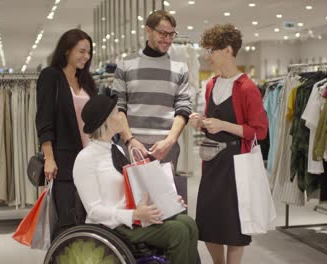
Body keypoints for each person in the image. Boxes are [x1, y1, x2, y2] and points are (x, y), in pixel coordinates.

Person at [73, 94, 199, 264]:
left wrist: (166, 202)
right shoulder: (86, 158)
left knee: (188, 222)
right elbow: (94, 211)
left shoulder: (115, 149)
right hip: (112, 227)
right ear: (105, 122)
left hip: (133, 218)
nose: (121, 117)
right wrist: (134, 215)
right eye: (117, 113)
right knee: (179, 231)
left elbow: (132, 190)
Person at [189, 24, 268, 264]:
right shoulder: (211, 84)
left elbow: (260, 131)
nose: (207, 56)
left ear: (227, 50)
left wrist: (223, 125)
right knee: (210, 220)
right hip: (212, 162)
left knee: (233, 224)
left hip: (236, 165)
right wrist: (201, 122)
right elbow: (214, 122)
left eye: (211, 50)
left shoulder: (247, 88)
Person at [112, 10, 192, 169]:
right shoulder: (126, 64)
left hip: (166, 148)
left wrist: (170, 141)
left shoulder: (180, 68)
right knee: (130, 194)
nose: (168, 39)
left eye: (171, 34)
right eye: (163, 34)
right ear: (148, 30)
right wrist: (130, 140)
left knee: (165, 194)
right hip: (131, 147)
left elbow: (183, 109)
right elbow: (118, 107)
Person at [35, 28, 96, 235]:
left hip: (90, 159)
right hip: (64, 160)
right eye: (81, 51)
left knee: (89, 219)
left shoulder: (87, 81)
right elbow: (44, 120)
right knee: (66, 220)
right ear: (67, 50)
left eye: (89, 52)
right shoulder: (50, 76)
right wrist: (49, 158)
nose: (86, 57)